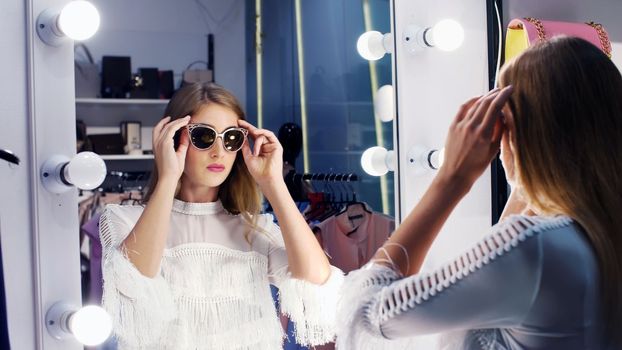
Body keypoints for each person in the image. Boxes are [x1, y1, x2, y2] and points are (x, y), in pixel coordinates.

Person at [336, 36, 621, 349]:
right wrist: (529, 176)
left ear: (527, 136)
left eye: (504, 125)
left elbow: (367, 313)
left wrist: (451, 179)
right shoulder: (590, 238)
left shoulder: (533, 250)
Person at [99, 82, 343, 349]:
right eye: (204, 137)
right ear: (172, 138)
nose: (219, 152)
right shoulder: (124, 219)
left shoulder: (256, 228)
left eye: (231, 138)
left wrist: (273, 183)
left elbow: (318, 280)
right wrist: (168, 177)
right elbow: (132, 282)